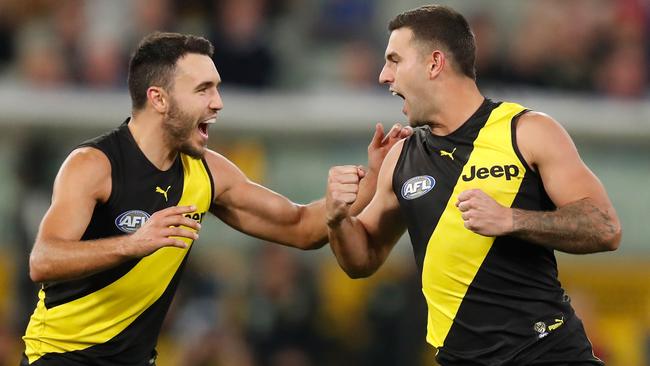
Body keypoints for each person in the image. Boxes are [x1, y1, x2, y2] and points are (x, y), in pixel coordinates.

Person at [20, 32, 411, 366]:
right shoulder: (94, 164)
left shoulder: (207, 171)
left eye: (217, 87)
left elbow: (302, 227)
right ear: (158, 99)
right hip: (60, 356)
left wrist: (376, 176)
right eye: (203, 89)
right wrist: (133, 244)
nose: (218, 102)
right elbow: (44, 259)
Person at [326, 5, 622, 365]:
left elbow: (605, 227)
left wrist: (512, 220)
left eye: (394, 60)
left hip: (548, 354)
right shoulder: (401, 156)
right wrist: (338, 218)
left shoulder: (526, 131)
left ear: (434, 63)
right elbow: (362, 259)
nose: (383, 76)